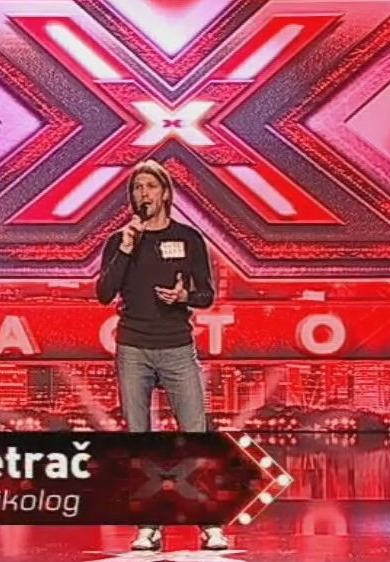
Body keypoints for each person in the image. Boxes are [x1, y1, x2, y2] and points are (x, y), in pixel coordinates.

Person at [95, 159, 228, 552]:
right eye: (138, 188)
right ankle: (148, 526)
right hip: (133, 348)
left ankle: (210, 524)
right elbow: (104, 294)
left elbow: (206, 295)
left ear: (165, 193)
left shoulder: (188, 239)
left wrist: (184, 296)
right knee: (140, 440)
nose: (144, 194)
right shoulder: (119, 241)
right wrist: (125, 248)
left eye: (150, 187)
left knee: (196, 436)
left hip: (177, 347)